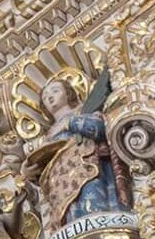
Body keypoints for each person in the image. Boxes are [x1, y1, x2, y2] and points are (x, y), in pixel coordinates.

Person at [24, 76, 133, 227]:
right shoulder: (48, 137)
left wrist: (70, 123)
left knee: (93, 211)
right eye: (45, 96)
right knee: (72, 220)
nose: (49, 96)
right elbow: (46, 168)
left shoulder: (82, 112)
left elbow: (101, 129)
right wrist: (30, 173)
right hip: (61, 186)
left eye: (55, 91)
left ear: (68, 94)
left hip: (87, 169)